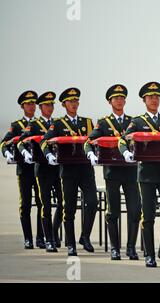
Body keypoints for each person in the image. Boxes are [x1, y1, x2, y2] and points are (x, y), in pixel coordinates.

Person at [118, 82, 160, 268]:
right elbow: (122, 139)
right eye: (150, 97)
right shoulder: (137, 122)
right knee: (149, 215)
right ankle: (149, 254)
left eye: (157, 96)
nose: (154, 99)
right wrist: (126, 152)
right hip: (147, 174)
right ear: (144, 100)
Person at [84, 84, 141, 260]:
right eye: (116, 98)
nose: (120, 101)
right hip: (112, 172)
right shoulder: (103, 123)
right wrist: (91, 156)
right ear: (110, 102)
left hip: (131, 171)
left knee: (135, 209)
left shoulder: (133, 121)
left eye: (122, 98)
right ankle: (115, 248)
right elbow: (89, 141)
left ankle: (131, 248)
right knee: (112, 211)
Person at [41, 87, 98, 256]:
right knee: (69, 208)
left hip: (86, 169)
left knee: (93, 203)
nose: (73, 104)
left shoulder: (87, 122)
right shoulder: (57, 124)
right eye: (70, 101)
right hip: (68, 170)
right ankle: (71, 244)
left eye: (76, 101)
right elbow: (44, 142)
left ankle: (85, 236)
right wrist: (49, 155)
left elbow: (95, 140)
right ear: (64, 104)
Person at [18, 91, 63, 252]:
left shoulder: (57, 124)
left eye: (51, 105)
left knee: (62, 204)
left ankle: (51, 232)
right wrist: (25, 153)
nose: (49, 107)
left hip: (57, 169)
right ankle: (44, 239)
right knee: (43, 205)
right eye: (46, 105)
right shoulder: (34, 125)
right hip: (41, 169)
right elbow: (21, 142)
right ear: (40, 107)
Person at [1, 90, 45, 249]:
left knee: (42, 204)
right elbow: (4, 143)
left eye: (33, 103)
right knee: (25, 204)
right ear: (22, 106)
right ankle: (28, 238)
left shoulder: (41, 123)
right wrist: (7, 153)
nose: (32, 106)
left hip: (40, 168)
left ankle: (41, 237)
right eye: (28, 104)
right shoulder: (17, 125)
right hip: (24, 170)